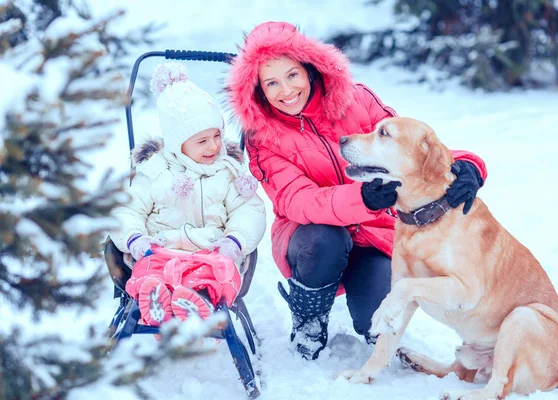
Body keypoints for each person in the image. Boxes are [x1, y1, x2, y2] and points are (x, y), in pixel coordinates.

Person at [227, 22, 488, 360]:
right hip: (309, 237)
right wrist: (362, 199)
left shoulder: (356, 99)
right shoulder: (263, 136)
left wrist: (466, 165)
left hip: (375, 232)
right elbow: (298, 200)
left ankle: (367, 302)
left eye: (292, 75)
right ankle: (309, 319)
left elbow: (410, 145)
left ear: (309, 69)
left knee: (375, 321)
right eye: (271, 83)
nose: (286, 90)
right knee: (325, 240)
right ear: (259, 89)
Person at [111, 62, 266, 327]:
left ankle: (197, 301)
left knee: (218, 274)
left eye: (217, 136)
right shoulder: (156, 171)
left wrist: (235, 242)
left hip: (212, 251)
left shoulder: (227, 171)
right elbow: (127, 209)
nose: (214, 146)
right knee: (146, 272)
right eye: (202, 141)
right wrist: (135, 239)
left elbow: (249, 210)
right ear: (177, 144)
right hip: (160, 250)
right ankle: (156, 300)